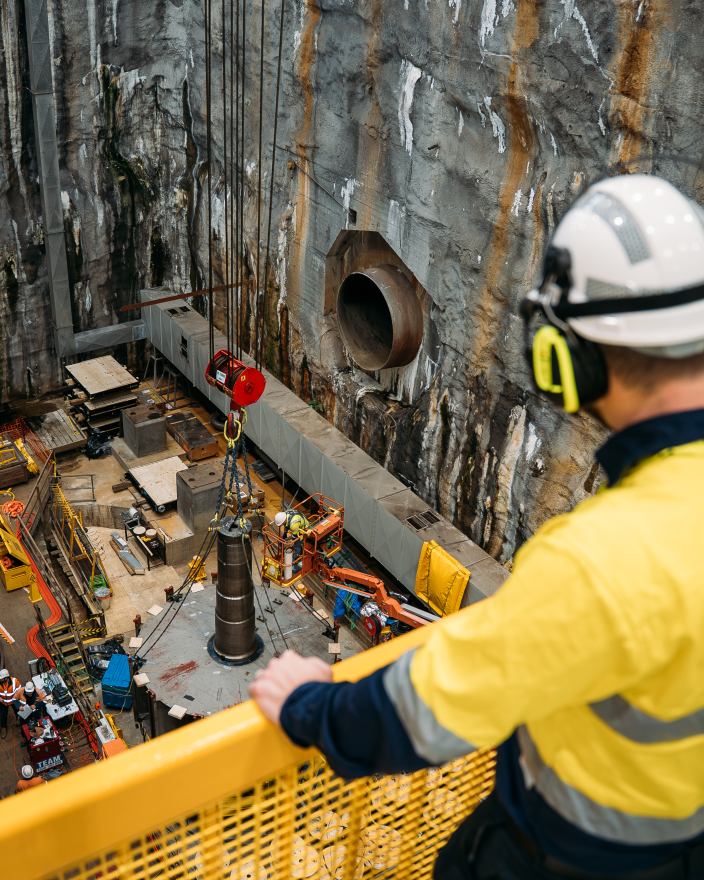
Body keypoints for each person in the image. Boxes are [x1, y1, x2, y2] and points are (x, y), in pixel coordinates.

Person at [250, 174, 704, 879]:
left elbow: (424, 712)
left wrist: (309, 704)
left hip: (570, 856)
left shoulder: (607, 559)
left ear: (570, 358)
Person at [0, 669, 25, 738]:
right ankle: (3, 727)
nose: (0, 680)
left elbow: (20, 693)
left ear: (6, 678)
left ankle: (18, 719)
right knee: (3, 715)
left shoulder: (15, 682)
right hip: (3, 703)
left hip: (14, 702)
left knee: (18, 712)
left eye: (1, 678)